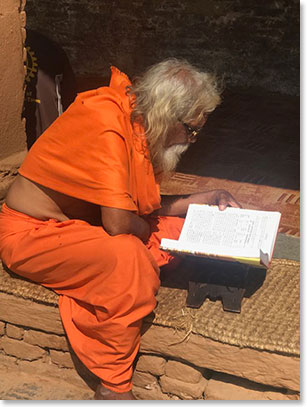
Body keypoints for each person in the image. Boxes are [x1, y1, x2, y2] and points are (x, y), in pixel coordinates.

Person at [0, 59, 240, 400]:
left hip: (82, 226)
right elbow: (117, 224)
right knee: (129, 258)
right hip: (31, 235)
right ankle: (113, 387)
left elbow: (134, 208)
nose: (192, 140)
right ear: (166, 114)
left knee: (176, 227)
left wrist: (199, 200)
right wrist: (147, 231)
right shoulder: (106, 122)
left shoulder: (136, 122)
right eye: (191, 130)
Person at [24, 29, 77, 149]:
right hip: (47, 150)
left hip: (44, 147)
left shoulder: (51, 51)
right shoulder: (51, 49)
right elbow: (70, 102)